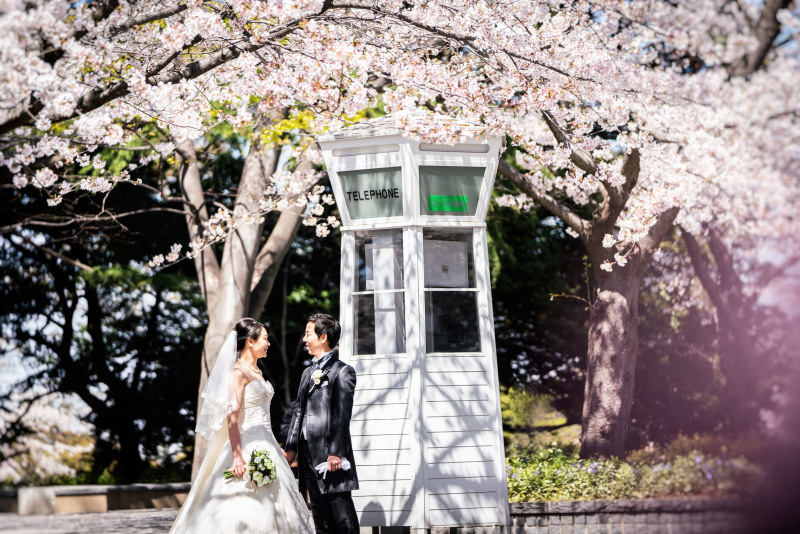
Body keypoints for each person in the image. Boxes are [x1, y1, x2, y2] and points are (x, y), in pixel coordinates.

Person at [170, 318, 314, 534]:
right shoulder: (238, 372)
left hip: (267, 443)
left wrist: (277, 448)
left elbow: (264, 418)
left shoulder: (258, 372)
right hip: (245, 444)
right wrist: (237, 457)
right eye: (265, 339)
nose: (268, 343)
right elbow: (232, 416)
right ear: (250, 342)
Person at [285, 313, 360, 534]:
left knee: (342, 516)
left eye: (308, 334)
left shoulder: (342, 371)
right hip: (308, 455)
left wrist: (336, 452)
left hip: (331, 457)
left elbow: (341, 414)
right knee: (320, 519)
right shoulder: (307, 372)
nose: (304, 339)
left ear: (323, 337)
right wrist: (290, 449)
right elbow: (298, 412)